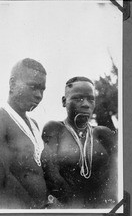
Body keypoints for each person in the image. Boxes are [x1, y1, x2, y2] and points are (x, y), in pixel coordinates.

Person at [0, 58, 48, 209]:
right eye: (33, 87)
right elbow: (1, 175)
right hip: (19, 210)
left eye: (42, 89)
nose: (39, 95)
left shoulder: (35, 125)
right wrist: (33, 208)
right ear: (12, 84)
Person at [42, 77, 118, 209]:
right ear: (64, 101)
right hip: (67, 208)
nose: (86, 104)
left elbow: (115, 177)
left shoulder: (103, 134)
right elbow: (52, 175)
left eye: (91, 99)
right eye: (78, 99)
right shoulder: (54, 129)